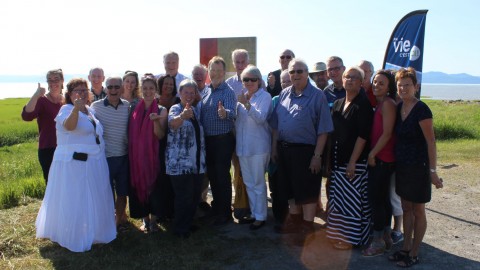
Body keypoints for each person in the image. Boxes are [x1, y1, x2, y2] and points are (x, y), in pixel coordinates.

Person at [35, 78, 116, 252]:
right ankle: (73, 232)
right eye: (76, 91)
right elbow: (69, 127)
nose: (81, 93)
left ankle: (94, 229)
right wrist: (76, 110)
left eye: (84, 90)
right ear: (70, 94)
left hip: (94, 161)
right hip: (74, 165)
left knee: (94, 195)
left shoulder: (90, 111)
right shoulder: (66, 109)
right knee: (76, 198)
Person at [270, 58, 333, 240]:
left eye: (299, 71)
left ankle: (307, 228)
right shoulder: (284, 94)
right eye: (292, 72)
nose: (295, 75)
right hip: (284, 150)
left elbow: (323, 130)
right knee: (290, 191)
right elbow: (275, 125)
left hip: (306, 152)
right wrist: (274, 148)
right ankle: (296, 224)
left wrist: (317, 156)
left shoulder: (317, 96)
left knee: (307, 192)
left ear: (307, 74)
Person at [388, 67, 443, 267]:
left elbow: (431, 141)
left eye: (407, 85)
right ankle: (405, 247)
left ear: (416, 87)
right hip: (402, 166)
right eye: (400, 85)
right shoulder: (399, 107)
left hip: (419, 167)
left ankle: (415, 252)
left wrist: (433, 172)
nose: (403, 89)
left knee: (418, 210)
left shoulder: (422, 109)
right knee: (406, 207)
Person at [326, 66, 374, 250]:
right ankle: (337, 234)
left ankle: (351, 239)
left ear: (361, 83)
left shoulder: (363, 104)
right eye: (347, 77)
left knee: (353, 202)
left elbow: (363, 136)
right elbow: (333, 134)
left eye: (354, 77)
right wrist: (329, 160)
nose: (349, 80)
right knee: (338, 200)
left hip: (354, 162)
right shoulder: (338, 103)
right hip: (338, 160)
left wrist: (353, 162)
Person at [362, 70, 397, 257]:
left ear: (389, 86)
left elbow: (388, 133)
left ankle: (377, 241)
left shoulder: (388, 104)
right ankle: (385, 236)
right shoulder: (381, 103)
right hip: (380, 157)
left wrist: (373, 153)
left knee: (376, 200)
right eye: (375, 82)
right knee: (382, 199)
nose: (376, 85)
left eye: (381, 83)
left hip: (383, 158)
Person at [166, 79, 206, 238]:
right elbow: (172, 125)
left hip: (196, 163)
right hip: (179, 164)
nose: (189, 95)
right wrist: (182, 116)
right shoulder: (176, 109)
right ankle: (180, 229)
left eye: (192, 92)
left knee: (194, 196)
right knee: (184, 197)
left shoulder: (195, 110)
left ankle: (188, 224)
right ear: (179, 94)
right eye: (186, 92)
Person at [128, 73, 168, 233]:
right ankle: (145, 220)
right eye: (145, 88)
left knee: (155, 187)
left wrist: (156, 121)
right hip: (136, 156)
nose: (148, 91)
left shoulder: (162, 109)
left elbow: (160, 135)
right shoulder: (134, 109)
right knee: (138, 185)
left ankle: (154, 221)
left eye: (151, 88)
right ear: (140, 90)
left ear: (156, 90)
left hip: (154, 156)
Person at [200, 56, 236, 226]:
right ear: (209, 71)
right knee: (213, 176)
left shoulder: (227, 91)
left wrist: (225, 113)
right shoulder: (206, 91)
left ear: (224, 72)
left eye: (219, 71)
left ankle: (225, 212)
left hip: (223, 141)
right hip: (209, 141)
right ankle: (217, 208)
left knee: (222, 177)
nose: (215, 73)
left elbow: (233, 114)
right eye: (212, 70)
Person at [235, 65, 272, 230]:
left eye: (252, 79)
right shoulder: (241, 98)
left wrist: (247, 105)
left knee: (258, 182)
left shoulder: (265, 97)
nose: (249, 82)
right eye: (246, 79)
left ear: (258, 81)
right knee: (249, 183)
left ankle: (261, 216)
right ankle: (254, 213)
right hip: (243, 148)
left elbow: (261, 118)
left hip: (258, 148)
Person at [91, 76, 130, 229]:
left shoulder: (127, 106)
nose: (113, 90)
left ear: (121, 88)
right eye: (110, 87)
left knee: (122, 193)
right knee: (106, 193)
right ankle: (107, 221)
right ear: (106, 88)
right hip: (103, 157)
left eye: (116, 87)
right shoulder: (95, 106)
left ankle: (117, 221)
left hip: (123, 157)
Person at [21, 69, 64, 184]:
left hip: (65, 148)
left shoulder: (65, 101)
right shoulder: (42, 100)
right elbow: (26, 116)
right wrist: (36, 95)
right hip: (48, 149)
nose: (53, 82)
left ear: (62, 81)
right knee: (51, 184)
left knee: (66, 183)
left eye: (56, 79)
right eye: (50, 80)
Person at [226, 49, 252, 222]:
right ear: (233, 63)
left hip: (251, 134)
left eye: (243, 61)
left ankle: (249, 204)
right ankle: (240, 203)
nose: (240, 65)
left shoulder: (256, 80)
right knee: (237, 170)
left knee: (248, 171)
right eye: (238, 62)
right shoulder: (229, 84)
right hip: (233, 133)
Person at [156, 74, 180, 223]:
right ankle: (161, 211)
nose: (169, 86)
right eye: (166, 84)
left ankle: (173, 211)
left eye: (171, 84)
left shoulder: (178, 101)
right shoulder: (155, 102)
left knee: (173, 178)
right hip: (159, 143)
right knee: (161, 178)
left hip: (175, 144)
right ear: (160, 85)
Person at [191, 64, 211, 212]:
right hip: (192, 140)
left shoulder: (210, 91)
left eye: (201, 74)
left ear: (206, 75)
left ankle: (202, 199)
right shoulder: (188, 91)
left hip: (209, 137)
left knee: (206, 171)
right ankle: (194, 201)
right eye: (195, 74)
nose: (198, 76)